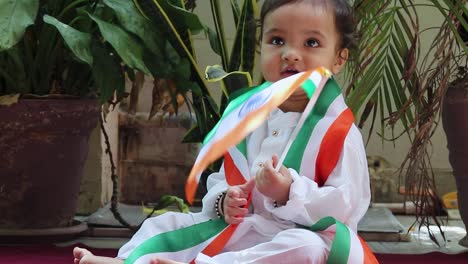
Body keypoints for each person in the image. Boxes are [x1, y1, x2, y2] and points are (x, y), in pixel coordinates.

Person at [73, 0, 374, 263]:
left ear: (339, 59)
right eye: (277, 40)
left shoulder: (338, 131)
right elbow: (222, 179)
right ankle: (128, 262)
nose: (290, 54)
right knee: (170, 224)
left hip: (297, 237)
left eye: (311, 43)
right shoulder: (247, 116)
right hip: (244, 230)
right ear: (260, 46)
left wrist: (288, 192)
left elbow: (345, 206)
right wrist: (223, 200)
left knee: (303, 248)